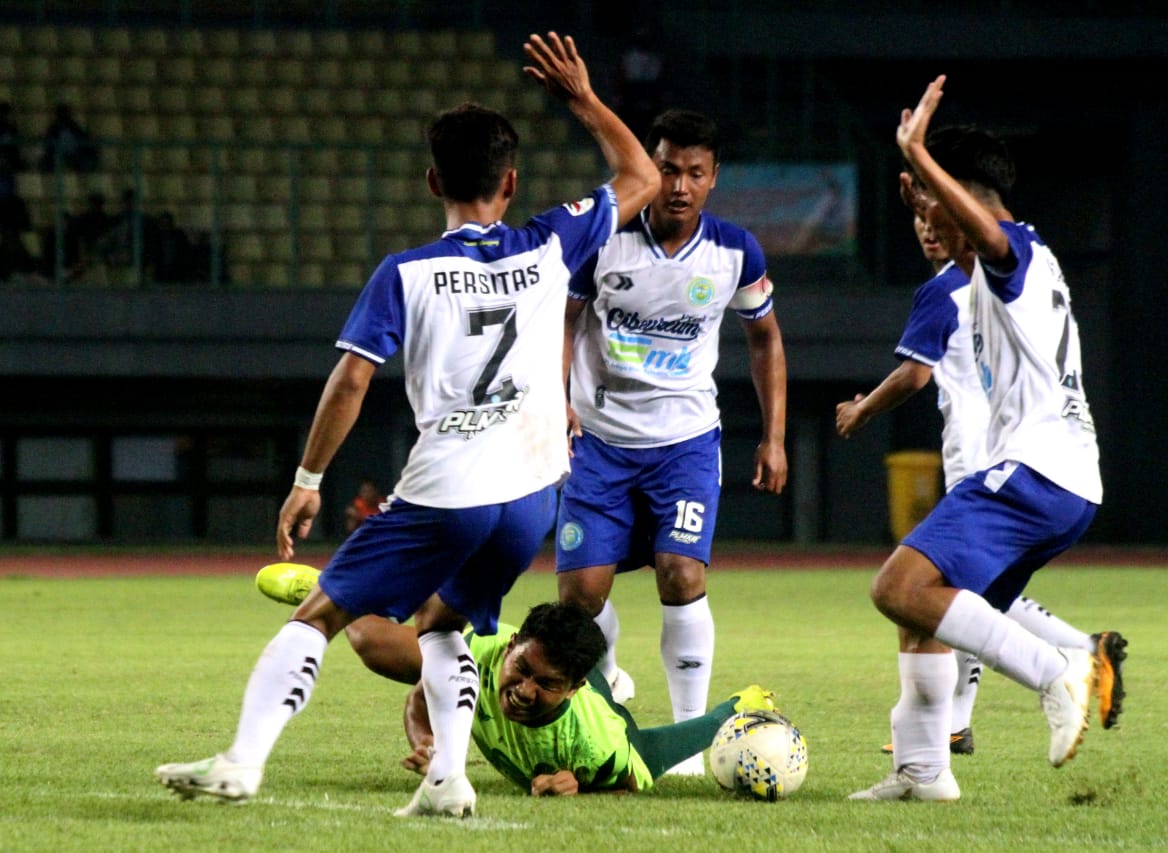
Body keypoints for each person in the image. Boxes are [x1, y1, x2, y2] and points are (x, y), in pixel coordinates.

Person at [154, 31, 660, 817]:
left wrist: (307, 480)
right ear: (512, 179)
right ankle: (447, 780)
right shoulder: (553, 242)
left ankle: (242, 761)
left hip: (449, 487)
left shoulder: (407, 272)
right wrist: (585, 101)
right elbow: (643, 175)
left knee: (321, 612)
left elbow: (351, 378)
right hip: (531, 493)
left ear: (432, 181)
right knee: (444, 623)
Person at [848, 75, 1121, 803]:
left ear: (963, 197)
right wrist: (926, 197)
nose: (930, 223)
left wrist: (925, 165)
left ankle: (1057, 667)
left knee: (895, 586)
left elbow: (991, 241)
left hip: (1032, 471)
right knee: (922, 611)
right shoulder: (997, 274)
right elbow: (976, 255)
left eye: (938, 206)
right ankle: (925, 770)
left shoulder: (1019, 253)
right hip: (1058, 477)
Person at [555, 108, 788, 774]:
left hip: (685, 444)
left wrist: (773, 435)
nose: (678, 185)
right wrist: (557, 402)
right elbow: (563, 324)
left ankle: (688, 734)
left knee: (682, 572)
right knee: (580, 597)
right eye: (665, 167)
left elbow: (765, 336)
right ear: (645, 168)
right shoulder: (604, 242)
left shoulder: (736, 251)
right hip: (598, 442)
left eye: (694, 172)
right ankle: (609, 695)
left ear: (714, 179)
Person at [402, 601, 778, 795]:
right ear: (512, 646)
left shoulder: (597, 744)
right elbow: (419, 700)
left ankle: (742, 703)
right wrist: (431, 745)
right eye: (522, 669)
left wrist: (578, 789)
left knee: (649, 751)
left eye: (546, 684)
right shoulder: (477, 648)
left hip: (601, 721)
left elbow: (626, 786)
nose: (524, 691)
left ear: (572, 687)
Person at [38, 103, 99, 174]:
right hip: (57, 154)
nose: (64, 117)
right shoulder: (53, 128)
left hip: (74, 154)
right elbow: (48, 143)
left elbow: (84, 138)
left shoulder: (74, 126)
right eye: (62, 114)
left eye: (66, 114)